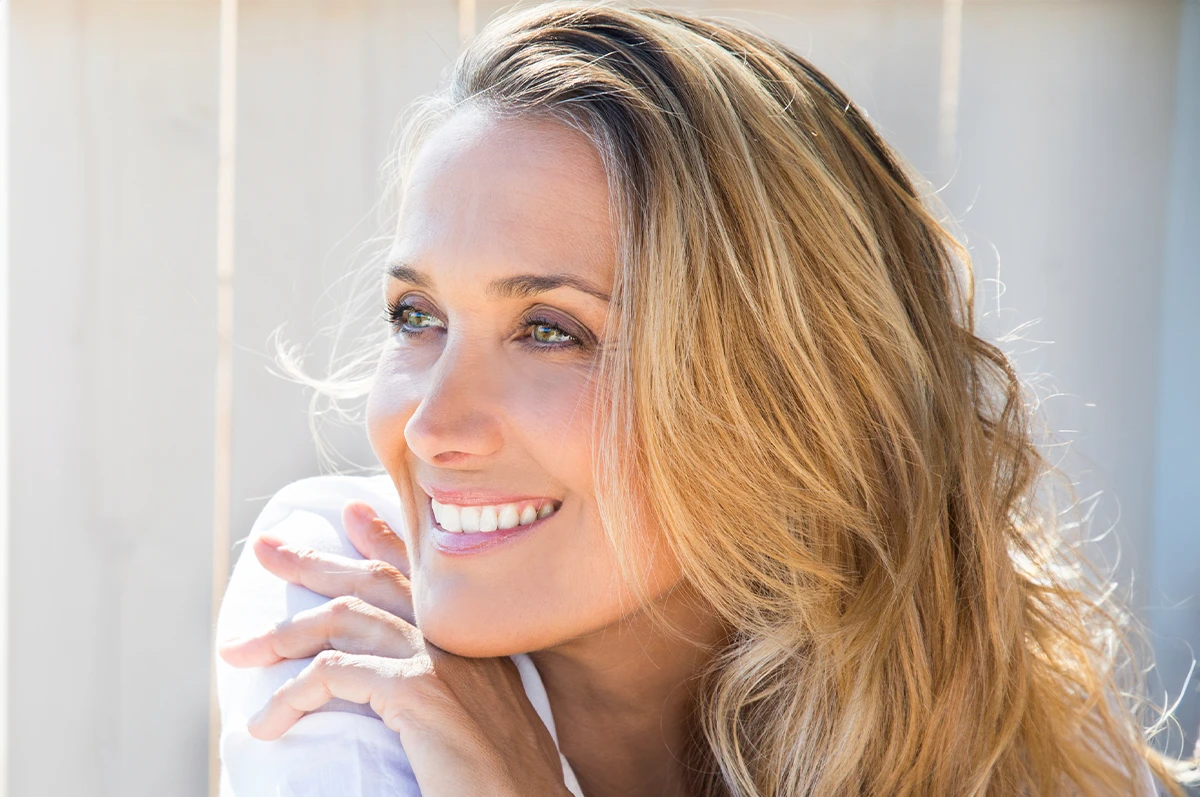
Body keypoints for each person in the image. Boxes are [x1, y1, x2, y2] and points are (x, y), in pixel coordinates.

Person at [214, 3, 1197, 795]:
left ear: (782, 389)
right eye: (416, 316)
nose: (431, 425)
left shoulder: (996, 714)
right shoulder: (343, 590)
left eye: (550, 330)